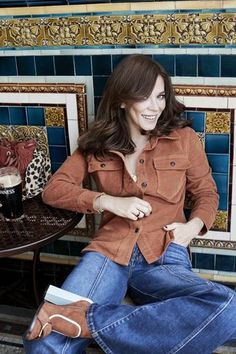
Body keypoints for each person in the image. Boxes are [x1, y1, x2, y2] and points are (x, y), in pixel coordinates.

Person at [24, 54, 236, 354]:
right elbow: (54, 191)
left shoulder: (183, 139)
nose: (155, 106)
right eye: (144, 96)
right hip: (108, 254)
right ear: (123, 100)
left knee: (230, 307)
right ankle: (89, 321)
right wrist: (105, 201)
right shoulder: (96, 145)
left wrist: (191, 227)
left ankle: (87, 320)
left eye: (160, 96)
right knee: (44, 341)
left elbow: (207, 193)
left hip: (165, 255)